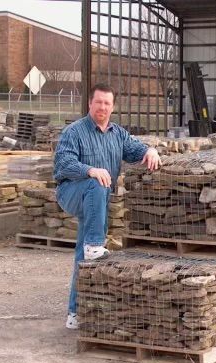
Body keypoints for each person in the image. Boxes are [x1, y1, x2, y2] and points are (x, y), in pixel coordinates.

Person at [53, 83, 161, 329]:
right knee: (98, 184)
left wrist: (151, 150)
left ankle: (75, 313)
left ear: (112, 107)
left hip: (97, 201)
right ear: (90, 103)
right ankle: (94, 245)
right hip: (72, 191)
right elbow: (63, 165)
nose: (102, 107)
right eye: (98, 102)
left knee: (84, 254)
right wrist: (90, 170)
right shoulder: (75, 131)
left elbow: (136, 150)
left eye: (107, 103)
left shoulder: (118, 134)